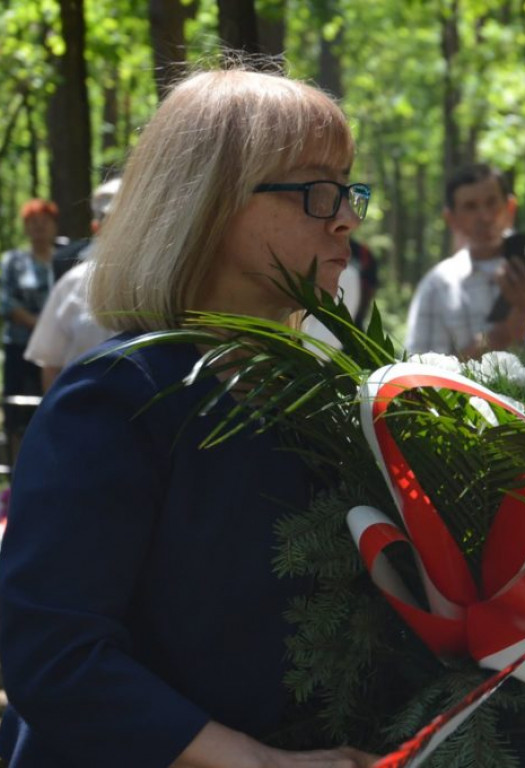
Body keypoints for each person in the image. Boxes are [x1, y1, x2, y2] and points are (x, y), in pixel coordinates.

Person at [0, 67, 377, 767]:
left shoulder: (312, 396)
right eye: (316, 189)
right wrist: (256, 761)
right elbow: (54, 655)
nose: (346, 218)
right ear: (211, 202)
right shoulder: (117, 397)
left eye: (349, 189)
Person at [405, 163, 525, 358]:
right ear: (451, 218)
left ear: (510, 207)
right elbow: (418, 368)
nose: (485, 217)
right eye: (470, 207)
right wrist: (498, 337)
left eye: (492, 202)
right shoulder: (436, 287)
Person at [23, 178, 122, 392]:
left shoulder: (162, 284)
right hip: (82, 406)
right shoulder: (73, 283)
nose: (120, 228)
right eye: (110, 219)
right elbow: (50, 362)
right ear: (96, 227)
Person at [0, 199, 59, 447]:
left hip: (55, 351)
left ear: (54, 225)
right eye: (33, 222)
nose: (39, 227)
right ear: (25, 227)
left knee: (51, 407)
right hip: (20, 348)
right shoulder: (13, 261)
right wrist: (38, 324)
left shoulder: (65, 260)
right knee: (18, 412)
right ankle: (16, 464)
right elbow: (5, 300)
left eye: (44, 222)